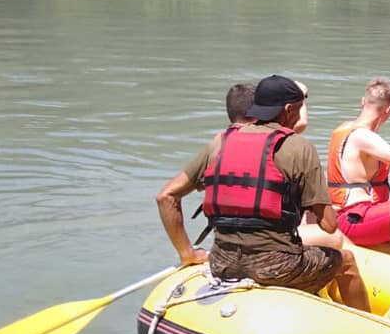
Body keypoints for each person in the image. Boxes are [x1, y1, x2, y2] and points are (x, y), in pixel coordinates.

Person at [157, 75, 369, 311]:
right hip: (276, 266)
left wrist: (187, 253)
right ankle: (372, 329)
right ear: (289, 110)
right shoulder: (300, 147)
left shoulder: (220, 141)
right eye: (298, 110)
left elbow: (166, 196)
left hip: (222, 262)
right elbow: (328, 225)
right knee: (346, 261)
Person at [326, 78, 390, 252]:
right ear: (389, 110)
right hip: (353, 219)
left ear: (363, 101)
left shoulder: (343, 128)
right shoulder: (364, 137)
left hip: (345, 215)